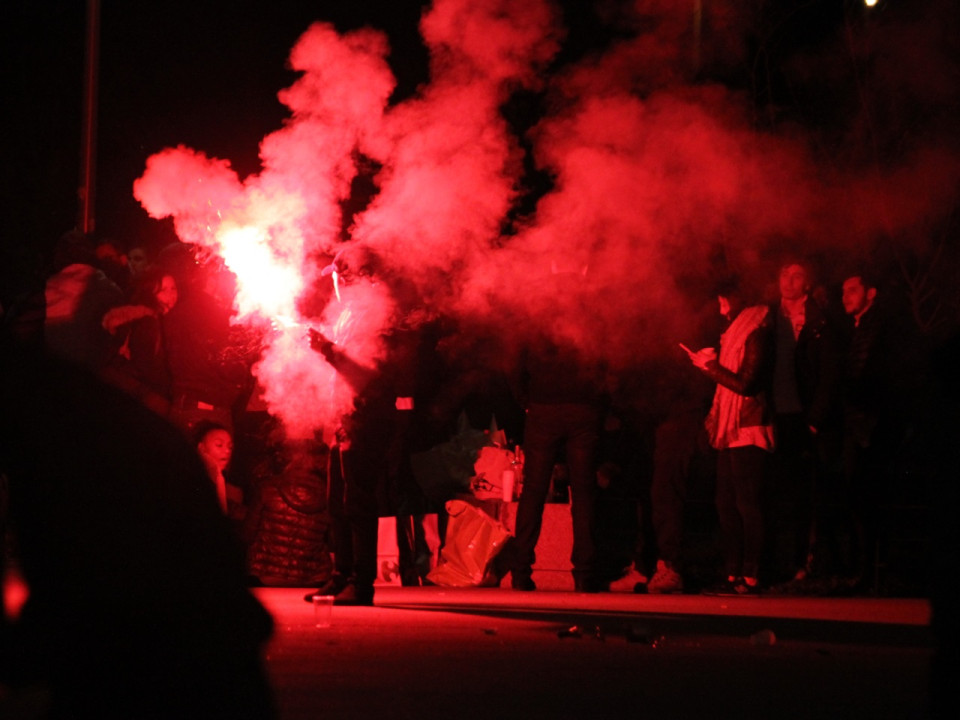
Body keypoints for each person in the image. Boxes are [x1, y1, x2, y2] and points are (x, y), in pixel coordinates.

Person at [686, 276, 774, 595]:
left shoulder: (756, 331)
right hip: (729, 426)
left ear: (739, 300)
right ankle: (732, 571)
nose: (721, 306)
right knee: (725, 502)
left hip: (749, 426)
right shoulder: (732, 334)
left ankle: (752, 573)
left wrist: (711, 368)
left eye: (725, 299)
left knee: (747, 502)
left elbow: (747, 384)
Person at [509, 334, 607, 592]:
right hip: (583, 408)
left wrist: (525, 401)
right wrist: (598, 404)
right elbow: (606, 363)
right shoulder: (590, 316)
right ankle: (585, 574)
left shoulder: (535, 317)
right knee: (584, 493)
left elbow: (515, 366)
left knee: (533, 490)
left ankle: (520, 572)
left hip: (543, 407)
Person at [766, 257, 842, 586]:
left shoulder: (819, 321)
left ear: (807, 284)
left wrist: (814, 417)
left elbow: (828, 374)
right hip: (773, 413)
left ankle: (804, 562)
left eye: (797, 276)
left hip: (802, 415)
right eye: (785, 274)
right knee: (775, 492)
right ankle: (777, 563)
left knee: (804, 494)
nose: (789, 281)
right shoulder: (768, 316)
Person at [100, 267, 178, 416]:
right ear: (150, 293)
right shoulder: (148, 322)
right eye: (163, 290)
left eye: (173, 288)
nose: (171, 294)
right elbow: (145, 366)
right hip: (143, 398)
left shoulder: (158, 319)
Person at [196, 420, 235, 513]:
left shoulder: (220, 480)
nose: (227, 451)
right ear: (201, 447)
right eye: (219, 445)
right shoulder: (193, 480)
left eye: (230, 447)